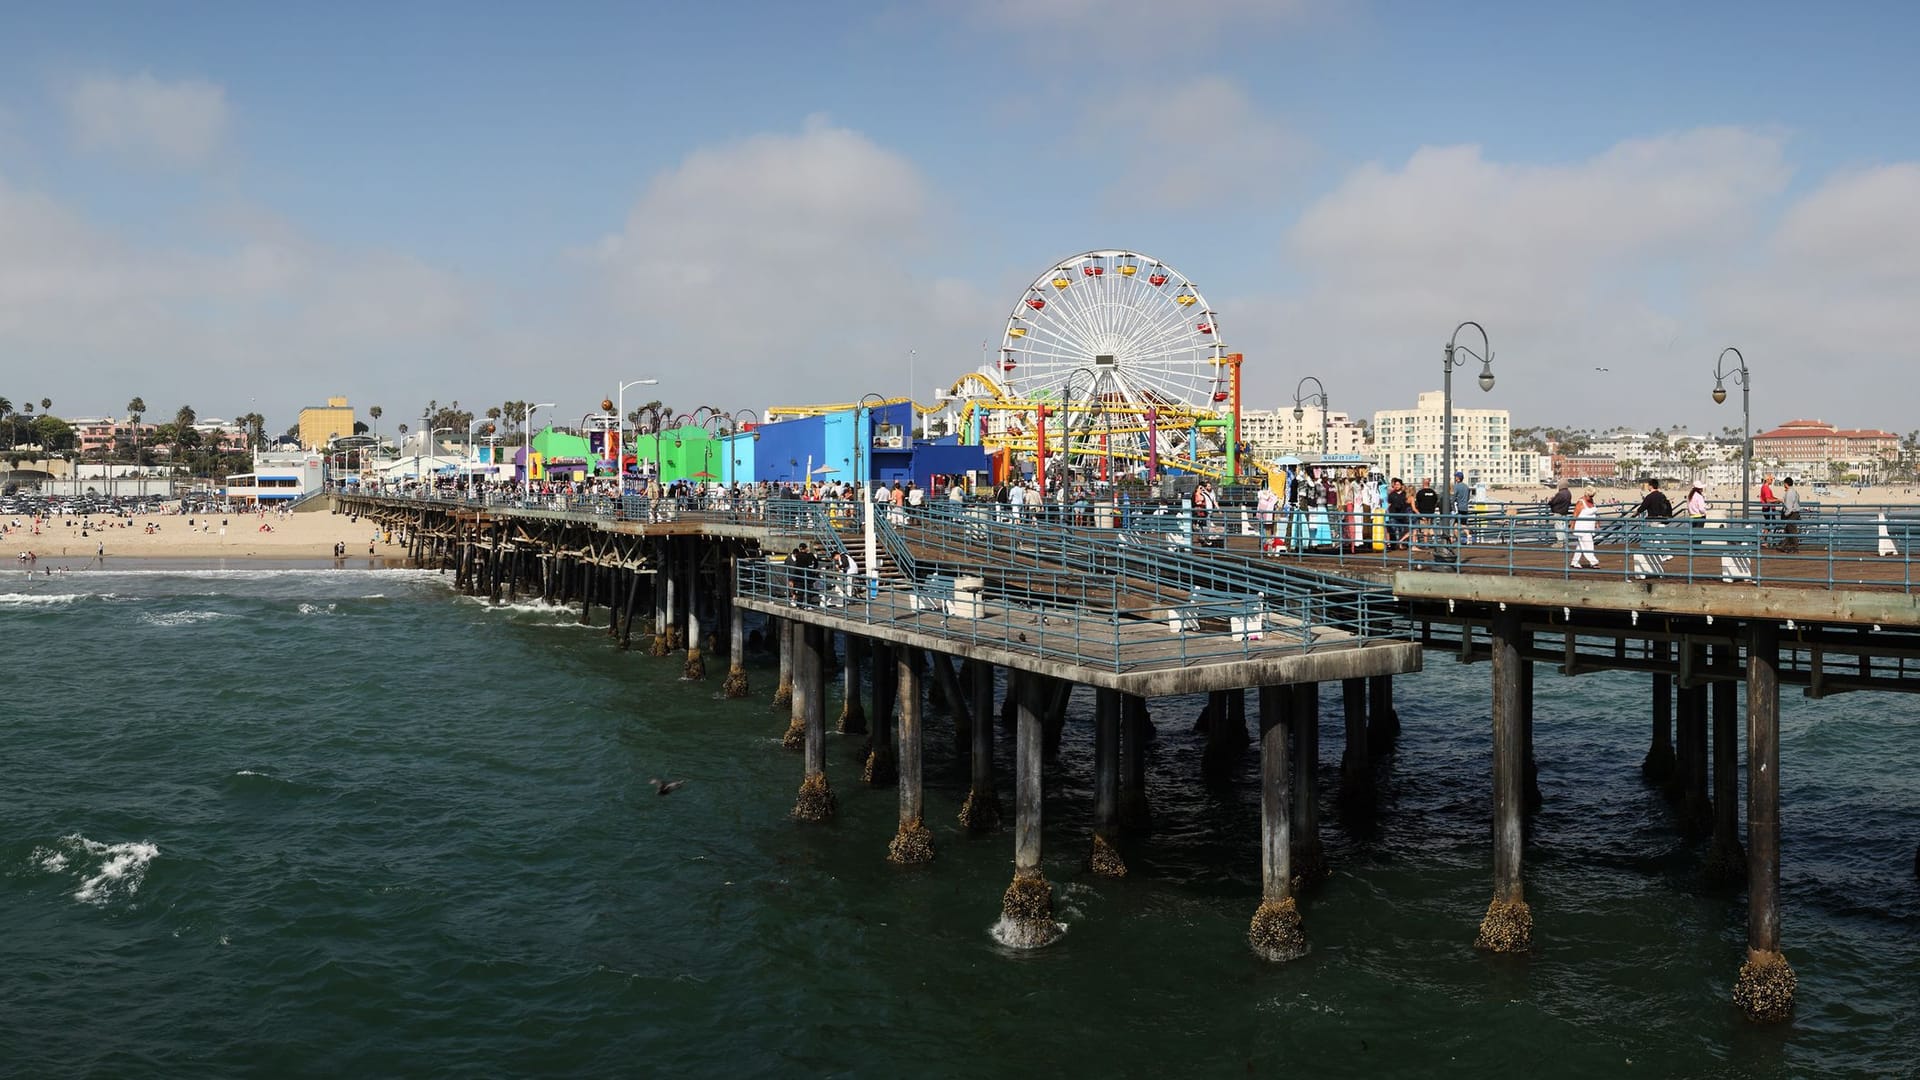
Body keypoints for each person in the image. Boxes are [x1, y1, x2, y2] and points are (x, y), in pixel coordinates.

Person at [1571, 489, 1601, 568]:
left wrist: (1597, 522)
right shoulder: (1580, 502)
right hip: (1582, 527)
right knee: (1588, 544)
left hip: (1589, 527)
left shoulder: (1592, 501)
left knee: (1581, 545)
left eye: (1592, 496)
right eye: (1590, 496)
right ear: (1586, 494)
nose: (1591, 497)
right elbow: (1575, 515)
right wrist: (1572, 526)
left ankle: (1574, 562)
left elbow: (1595, 513)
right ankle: (1594, 562)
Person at [787, 542, 819, 606]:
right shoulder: (809, 555)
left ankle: (799, 605)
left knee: (800, 591)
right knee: (808, 591)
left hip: (798, 576)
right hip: (807, 576)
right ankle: (808, 605)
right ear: (806, 548)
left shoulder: (798, 555)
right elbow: (814, 564)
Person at [1386, 477, 1412, 551]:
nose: (1396, 486)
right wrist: (1387, 512)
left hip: (1403, 515)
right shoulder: (1391, 494)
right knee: (1392, 530)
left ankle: (1401, 545)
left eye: (1398, 484)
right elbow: (1389, 504)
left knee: (1402, 531)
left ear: (1401, 485)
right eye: (1395, 484)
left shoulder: (1405, 494)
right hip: (1393, 515)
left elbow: (1408, 504)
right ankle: (1392, 545)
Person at [1547, 480, 1574, 550]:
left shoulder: (1560, 494)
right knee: (1563, 527)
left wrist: (1550, 500)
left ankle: (1560, 542)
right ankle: (1565, 541)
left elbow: (1553, 502)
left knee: (1558, 527)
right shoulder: (1568, 493)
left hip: (1558, 512)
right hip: (1564, 512)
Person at [1778, 477, 1801, 552]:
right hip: (1795, 513)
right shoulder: (1794, 491)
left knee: (1791, 530)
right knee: (1788, 530)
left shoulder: (1789, 493)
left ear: (1786, 484)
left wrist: (1786, 514)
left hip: (1792, 513)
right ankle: (1785, 546)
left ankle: (1794, 547)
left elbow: (1789, 507)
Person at [1450, 471, 1473, 545]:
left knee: (1456, 526)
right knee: (1462, 524)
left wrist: (1453, 504)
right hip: (1465, 507)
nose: (1455, 478)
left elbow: (1453, 498)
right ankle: (1467, 536)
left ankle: (1462, 539)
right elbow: (1468, 498)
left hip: (1458, 508)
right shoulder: (1466, 486)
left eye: (1456, 476)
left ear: (1458, 478)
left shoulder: (1456, 486)